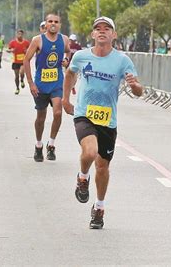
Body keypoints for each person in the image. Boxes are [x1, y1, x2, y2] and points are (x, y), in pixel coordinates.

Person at [62, 16, 143, 229]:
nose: (102, 31)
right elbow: (70, 74)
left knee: (102, 167)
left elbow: (138, 91)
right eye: (98, 29)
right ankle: (82, 178)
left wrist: (135, 85)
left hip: (108, 119)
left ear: (113, 35)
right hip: (84, 114)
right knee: (89, 152)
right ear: (92, 34)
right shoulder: (81, 56)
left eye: (107, 29)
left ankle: (99, 208)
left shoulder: (122, 60)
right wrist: (65, 99)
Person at [24, 14, 70, 162]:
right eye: (50, 21)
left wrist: (66, 60)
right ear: (46, 24)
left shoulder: (64, 39)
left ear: (60, 24)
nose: (53, 24)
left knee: (58, 113)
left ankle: (51, 144)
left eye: (56, 22)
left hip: (57, 83)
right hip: (41, 85)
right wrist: (31, 83)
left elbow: (68, 51)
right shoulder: (38, 40)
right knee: (41, 117)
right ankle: (38, 145)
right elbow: (26, 59)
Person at [8, 29, 30, 95]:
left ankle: (22, 80)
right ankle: (17, 88)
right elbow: (8, 49)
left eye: (21, 34)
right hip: (15, 61)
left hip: (23, 61)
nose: (19, 35)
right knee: (16, 76)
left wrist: (26, 51)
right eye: (18, 34)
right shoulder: (13, 42)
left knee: (21, 72)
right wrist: (12, 50)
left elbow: (30, 50)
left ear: (23, 35)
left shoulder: (26, 42)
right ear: (16, 34)